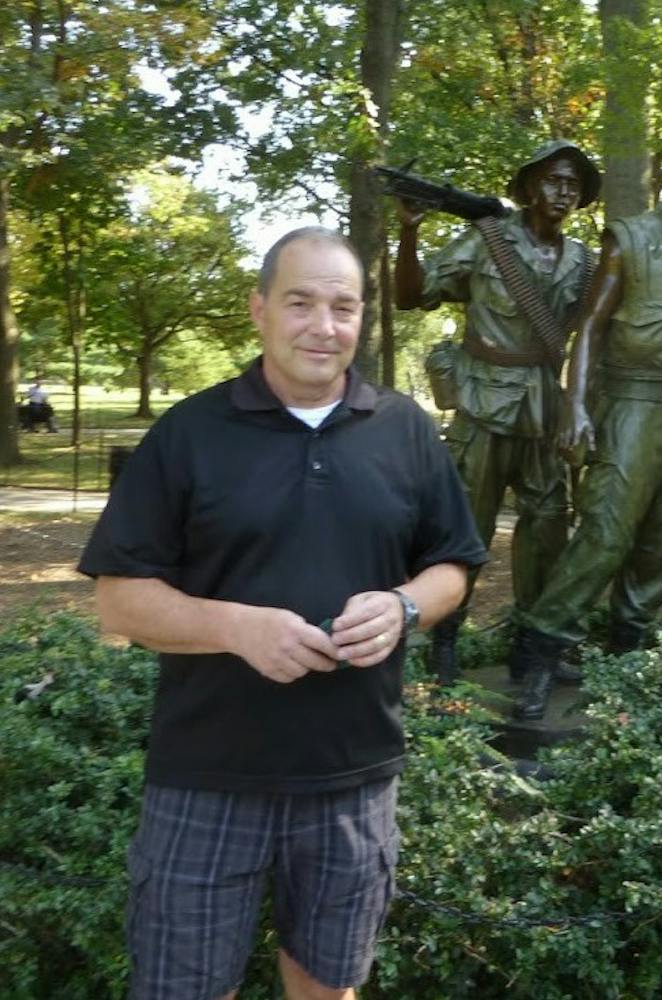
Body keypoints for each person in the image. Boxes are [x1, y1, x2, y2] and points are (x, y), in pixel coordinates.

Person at [78, 227, 487, 1000]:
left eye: (343, 307)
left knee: (328, 989)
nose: (323, 326)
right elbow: (118, 599)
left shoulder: (406, 433)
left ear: (363, 318)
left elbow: (454, 567)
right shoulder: (188, 435)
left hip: (353, 778)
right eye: (300, 303)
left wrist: (404, 607)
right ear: (259, 310)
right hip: (206, 776)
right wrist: (236, 628)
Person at [507, 135, 662, 720]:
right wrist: (577, 406)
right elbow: (589, 326)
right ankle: (539, 651)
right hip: (635, 404)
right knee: (605, 535)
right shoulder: (631, 237)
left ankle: (627, 659)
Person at [393, 140, 600, 685]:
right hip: (483, 405)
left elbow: (600, 327)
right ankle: (444, 643)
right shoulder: (487, 241)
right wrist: (410, 231)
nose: (562, 192)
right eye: (554, 180)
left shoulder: (583, 260)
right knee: (466, 531)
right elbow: (412, 296)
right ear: (530, 186)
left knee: (549, 530)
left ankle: (536, 646)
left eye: (573, 185)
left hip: (544, 411)